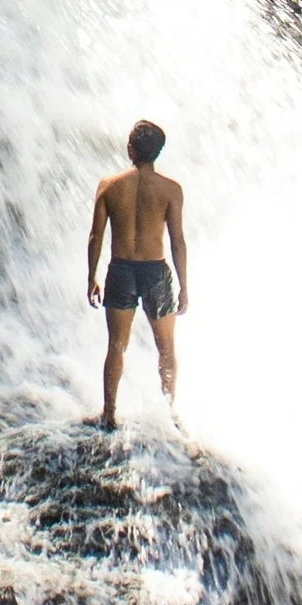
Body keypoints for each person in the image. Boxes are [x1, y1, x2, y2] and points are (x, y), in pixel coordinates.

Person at [87, 118, 187, 423]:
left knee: (116, 345)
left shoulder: (109, 186)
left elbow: (96, 236)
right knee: (166, 347)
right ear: (157, 152)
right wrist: (184, 286)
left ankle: (109, 414)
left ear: (130, 149)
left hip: (121, 270)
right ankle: (169, 413)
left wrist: (91, 277)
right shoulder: (171, 189)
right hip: (155, 272)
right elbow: (177, 242)